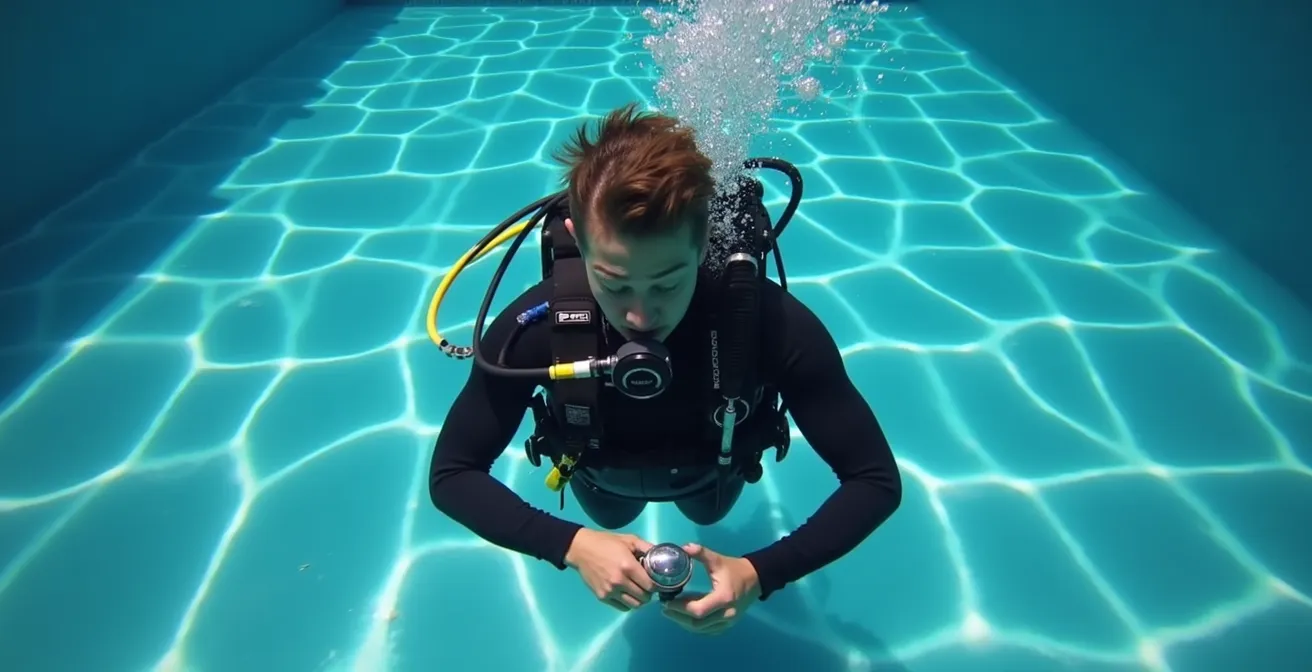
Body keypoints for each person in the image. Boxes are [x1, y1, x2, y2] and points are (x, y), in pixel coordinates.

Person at [427, 103, 902, 636]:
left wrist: (758, 572)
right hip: (596, 473)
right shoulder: (536, 328)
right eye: (614, 281)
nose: (640, 316)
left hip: (714, 470)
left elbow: (875, 481)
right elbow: (452, 474)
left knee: (707, 516)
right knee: (609, 520)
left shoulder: (767, 323)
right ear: (576, 241)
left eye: (668, 282)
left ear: (702, 244)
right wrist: (571, 544)